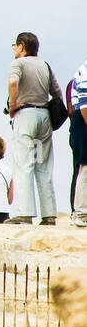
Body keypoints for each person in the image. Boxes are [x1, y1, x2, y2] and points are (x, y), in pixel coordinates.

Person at [5, 32, 60, 225]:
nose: (13, 49)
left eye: (15, 45)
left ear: (21, 46)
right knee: (44, 166)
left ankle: (25, 213)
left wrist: (12, 105)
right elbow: (57, 93)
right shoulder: (45, 65)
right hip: (44, 116)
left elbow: (13, 82)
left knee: (23, 165)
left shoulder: (18, 63)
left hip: (25, 114)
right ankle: (49, 215)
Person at [70, 63, 87, 228]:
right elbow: (84, 104)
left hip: (82, 119)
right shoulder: (86, 70)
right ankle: (81, 212)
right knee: (85, 166)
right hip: (83, 120)